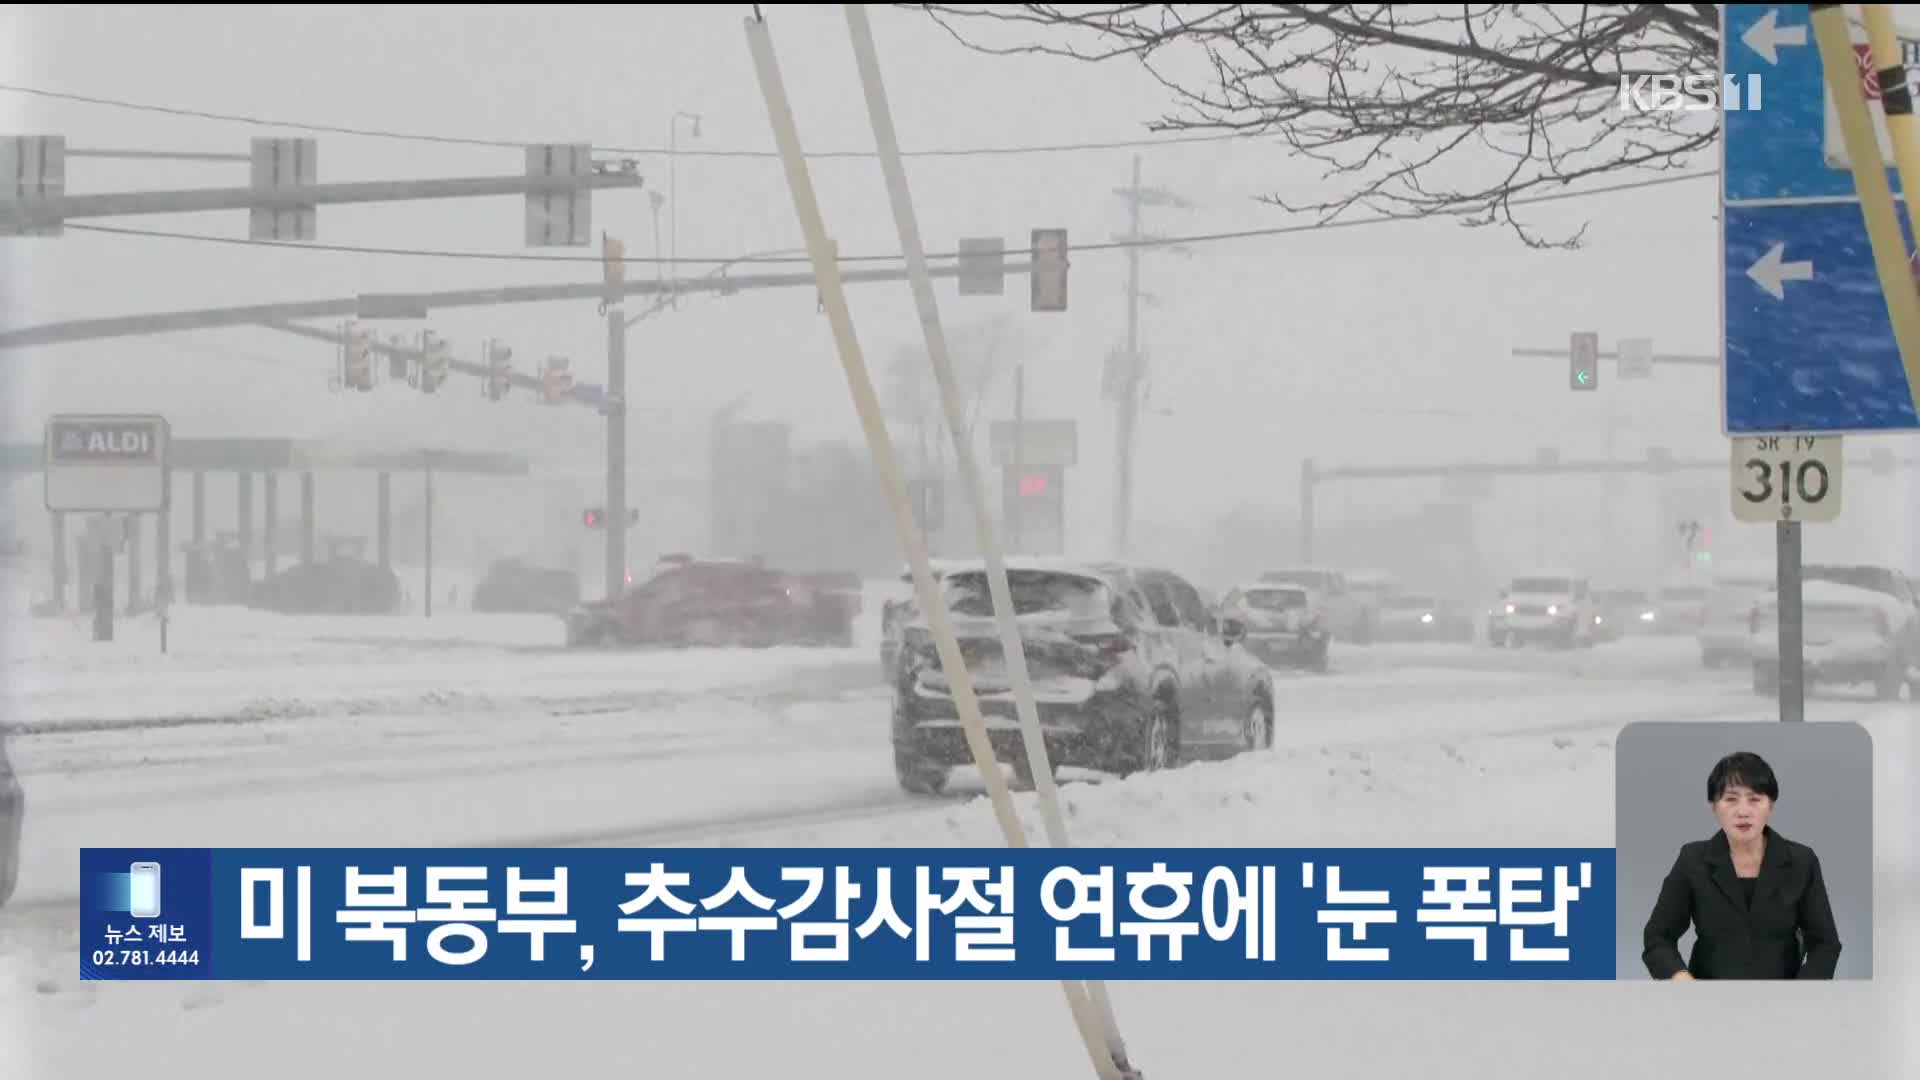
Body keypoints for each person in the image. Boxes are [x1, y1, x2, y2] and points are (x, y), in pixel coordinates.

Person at [1642, 750, 1842, 980]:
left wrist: (1800, 993)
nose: (1743, 811)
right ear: (1714, 807)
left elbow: (1825, 944)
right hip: (1708, 998)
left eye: (1755, 799)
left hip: (1782, 1000)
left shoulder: (1801, 861)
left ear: (1771, 805)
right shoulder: (1693, 859)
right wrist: (1680, 978)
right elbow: (1658, 937)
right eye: (1730, 799)